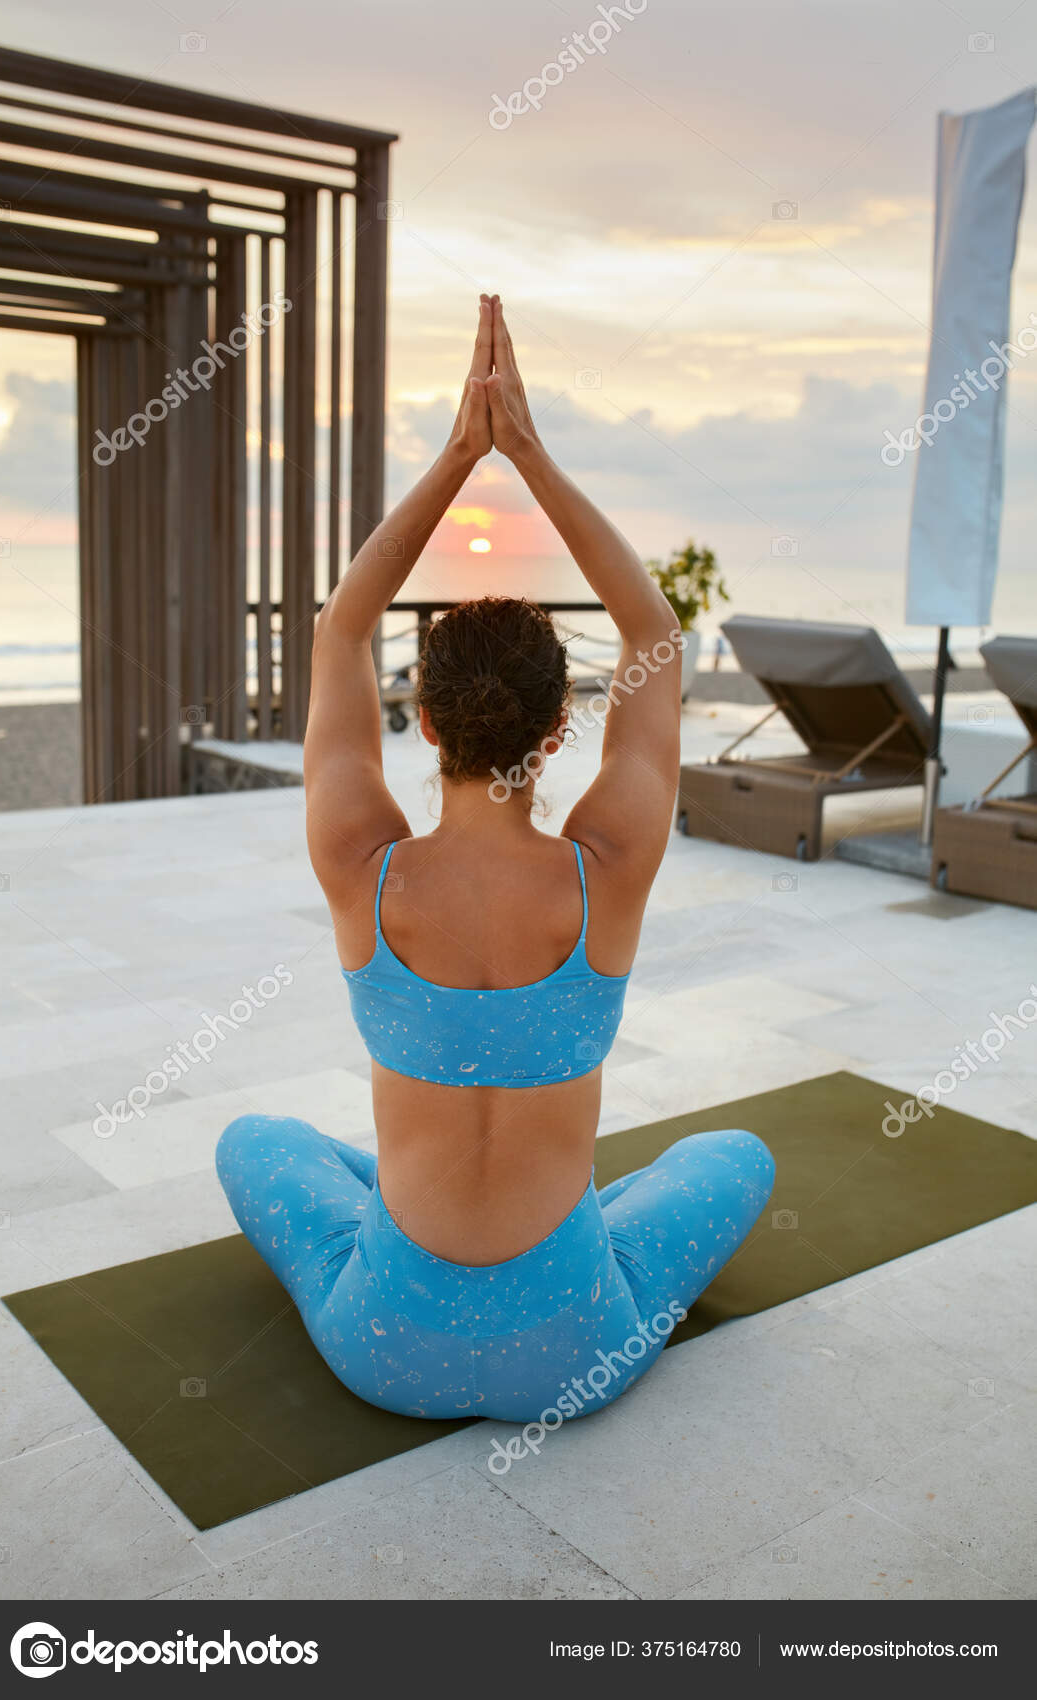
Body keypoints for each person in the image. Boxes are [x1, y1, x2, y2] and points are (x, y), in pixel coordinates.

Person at [217, 296, 774, 1423]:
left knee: (255, 1142)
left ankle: (420, 1201)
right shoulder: (607, 866)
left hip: (385, 1347)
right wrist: (527, 453)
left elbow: (339, 629)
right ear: (558, 729)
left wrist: (456, 456)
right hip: (575, 1353)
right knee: (736, 1154)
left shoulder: (360, 861)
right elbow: (653, 634)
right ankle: (562, 1215)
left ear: (422, 721)